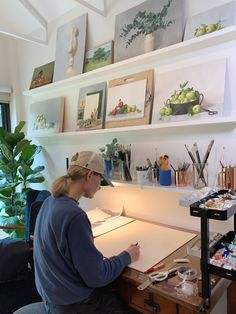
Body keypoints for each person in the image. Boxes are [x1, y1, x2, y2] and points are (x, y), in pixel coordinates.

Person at [33, 151, 140, 314]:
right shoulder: (74, 216)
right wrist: (127, 255)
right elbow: (97, 276)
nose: (99, 187)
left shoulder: (49, 202)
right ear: (90, 175)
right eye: (100, 180)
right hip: (74, 305)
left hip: (51, 297)